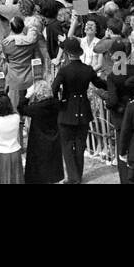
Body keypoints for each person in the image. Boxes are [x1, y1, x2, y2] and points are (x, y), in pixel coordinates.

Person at [52, 36, 107, 184]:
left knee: (68, 145)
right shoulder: (87, 69)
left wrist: (58, 104)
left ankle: (73, 177)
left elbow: (54, 89)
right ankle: (78, 174)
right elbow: (100, 84)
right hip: (83, 108)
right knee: (80, 144)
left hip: (67, 108)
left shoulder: (64, 71)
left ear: (68, 53)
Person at [20, 77, 64, 184]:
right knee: (53, 165)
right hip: (54, 137)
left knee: (39, 168)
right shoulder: (57, 104)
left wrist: (27, 95)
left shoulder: (36, 108)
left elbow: (20, 108)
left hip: (38, 140)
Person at [0, 93, 23, 184]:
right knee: (16, 179)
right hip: (15, 151)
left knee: (0, 179)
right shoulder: (16, 118)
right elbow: (14, 111)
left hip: (0, 153)